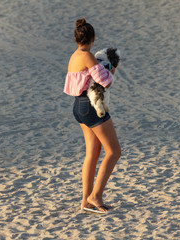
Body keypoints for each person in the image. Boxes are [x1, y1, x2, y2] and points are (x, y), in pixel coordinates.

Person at [64, 18, 121, 213]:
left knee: (93, 153)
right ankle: (95, 196)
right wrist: (112, 71)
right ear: (93, 39)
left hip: (78, 106)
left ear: (76, 38)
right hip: (91, 107)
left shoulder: (74, 56)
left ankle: (86, 201)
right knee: (114, 152)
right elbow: (104, 81)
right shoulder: (88, 56)